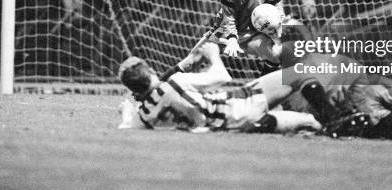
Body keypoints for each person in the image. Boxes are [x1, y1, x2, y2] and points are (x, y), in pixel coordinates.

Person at [160, 0, 285, 81]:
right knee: (190, 62)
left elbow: (278, 12)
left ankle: (261, 91)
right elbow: (228, 17)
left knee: (275, 55)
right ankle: (156, 89)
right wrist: (231, 39)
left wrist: (277, 30)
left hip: (253, 33)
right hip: (225, 31)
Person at [117, 56, 322, 134]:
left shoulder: (145, 114)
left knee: (310, 121)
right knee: (299, 73)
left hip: (235, 121)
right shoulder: (177, 82)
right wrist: (212, 53)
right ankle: (335, 119)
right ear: (151, 71)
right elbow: (222, 75)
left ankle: (328, 123)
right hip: (239, 104)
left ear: (135, 90)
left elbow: (127, 126)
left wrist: (127, 110)